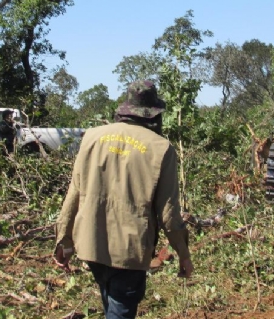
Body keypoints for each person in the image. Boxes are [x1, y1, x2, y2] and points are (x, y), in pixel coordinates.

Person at [54, 80, 193, 319]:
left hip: (91, 245)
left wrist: (64, 241)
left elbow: (73, 196)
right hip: (129, 251)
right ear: (155, 114)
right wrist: (184, 254)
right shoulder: (161, 148)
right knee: (119, 309)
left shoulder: (92, 137)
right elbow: (169, 214)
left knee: (111, 302)